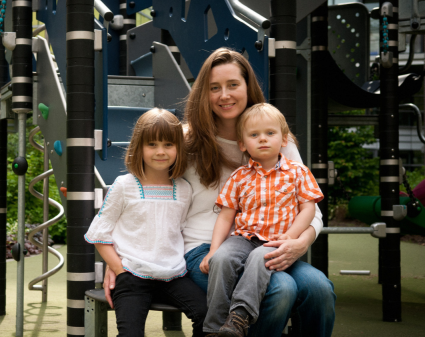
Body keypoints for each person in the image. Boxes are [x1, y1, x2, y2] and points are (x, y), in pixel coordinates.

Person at [104, 48, 336, 337]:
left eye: (233, 85)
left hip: (270, 243)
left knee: (319, 289)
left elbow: (311, 210)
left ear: (248, 87)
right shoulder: (187, 141)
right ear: (205, 93)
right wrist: (121, 261)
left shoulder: (276, 138)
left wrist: (300, 243)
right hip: (204, 248)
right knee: (281, 290)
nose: (224, 95)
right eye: (215, 88)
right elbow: (146, 196)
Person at [200, 103, 324, 337]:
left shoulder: (298, 172)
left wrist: (290, 236)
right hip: (243, 238)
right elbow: (226, 216)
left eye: (270, 133)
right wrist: (213, 250)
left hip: (276, 241)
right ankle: (214, 328)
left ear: (284, 139)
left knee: (262, 257)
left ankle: (239, 318)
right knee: (222, 259)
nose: (263, 139)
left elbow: (308, 209)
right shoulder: (239, 176)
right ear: (242, 144)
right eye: (254, 135)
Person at [85, 109, 208, 337]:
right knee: (130, 333)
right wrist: (119, 270)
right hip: (132, 275)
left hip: (174, 275)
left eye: (168, 145)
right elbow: (99, 234)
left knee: (206, 314)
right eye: (152, 144)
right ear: (139, 147)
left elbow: (178, 230)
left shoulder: (183, 189)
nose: (160, 151)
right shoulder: (124, 185)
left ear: (178, 149)